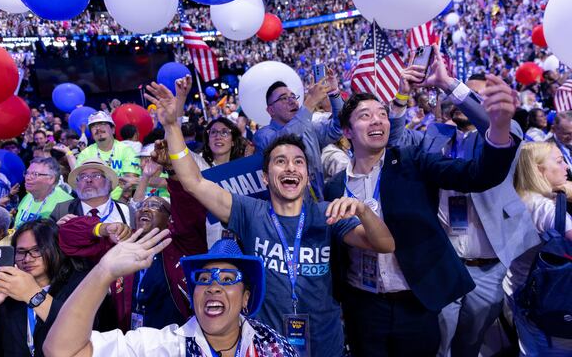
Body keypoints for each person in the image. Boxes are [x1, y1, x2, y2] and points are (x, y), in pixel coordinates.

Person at [144, 80, 395, 357]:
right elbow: (193, 182)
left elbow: (384, 244)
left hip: (325, 344)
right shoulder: (249, 211)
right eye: (280, 161)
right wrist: (171, 127)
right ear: (265, 177)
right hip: (266, 347)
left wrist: (363, 211)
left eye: (299, 162)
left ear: (308, 175)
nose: (290, 167)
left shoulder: (326, 213)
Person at [323, 65, 519, 356]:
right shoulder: (335, 186)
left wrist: (499, 129)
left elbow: (480, 175)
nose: (378, 120)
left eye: (381, 113)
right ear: (348, 130)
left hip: (415, 300)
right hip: (362, 305)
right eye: (365, 116)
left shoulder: (412, 161)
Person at [388, 48, 539, 357]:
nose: (465, 101)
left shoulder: (504, 133)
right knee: (438, 346)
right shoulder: (435, 133)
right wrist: (402, 98)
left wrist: (450, 86)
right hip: (444, 260)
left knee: (470, 345)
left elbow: (496, 129)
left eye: (474, 97)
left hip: (487, 265)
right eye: (464, 94)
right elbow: (396, 146)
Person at [44, 235, 298, 357]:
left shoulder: (275, 347)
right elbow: (61, 351)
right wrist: (103, 272)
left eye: (228, 279)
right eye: (203, 279)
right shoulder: (161, 347)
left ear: (245, 298)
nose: (213, 286)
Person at [57, 196, 192, 331]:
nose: (144, 209)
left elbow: (190, 214)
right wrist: (103, 228)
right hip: (130, 340)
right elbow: (67, 238)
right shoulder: (121, 242)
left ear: (170, 219)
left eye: (154, 205)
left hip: (173, 341)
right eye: (141, 206)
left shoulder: (181, 245)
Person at [0, 220, 88, 357]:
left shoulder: (81, 283)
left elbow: (81, 332)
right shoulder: (7, 291)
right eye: (21, 252)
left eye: (36, 250)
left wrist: (32, 294)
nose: (27, 259)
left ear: (56, 248)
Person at [508, 142, 572, 355]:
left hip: (524, 295)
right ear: (537, 170)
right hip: (553, 301)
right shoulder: (547, 209)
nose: (567, 168)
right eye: (559, 161)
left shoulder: (516, 198)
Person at [253, 71, 344, 201]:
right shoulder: (263, 135)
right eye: (283, 98)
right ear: (270, 110)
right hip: (287, 210)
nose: (291, 101)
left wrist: (334, 93)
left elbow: (338, 128)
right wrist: (310, 102)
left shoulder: (308, 128)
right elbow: (283, 143)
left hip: (318, 205)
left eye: (293, 96)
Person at [50, 158, 132, 227]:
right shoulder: (62, 210)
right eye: (83, 177)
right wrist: (56, 232)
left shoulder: (125, 210)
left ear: (109, 183)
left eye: (96, 175)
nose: (88, 180)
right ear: (77, 184)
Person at [75, 111, 140, 178]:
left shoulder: (127, 150)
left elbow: (131, 181)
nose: (98, 128)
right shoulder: (85, 154)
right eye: (93, 126)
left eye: (102, 124)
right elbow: (79, 180)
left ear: (113, 130)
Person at [14, 157, 73, 228]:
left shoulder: (66, 204)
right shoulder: (28, 196)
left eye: (35, 174)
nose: (27, 178)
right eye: (27, 173)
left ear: (51, 179)